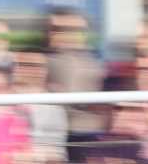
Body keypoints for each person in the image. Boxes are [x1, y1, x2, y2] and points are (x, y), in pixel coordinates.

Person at [39, 8, 102, 139]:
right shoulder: (42, 61)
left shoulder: (93, 64)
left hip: (83, 131)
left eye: (74, 31)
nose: (66, 36)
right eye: (58, 29)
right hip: (51, 129)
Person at [9, 49, 67, 164]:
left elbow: (57, 158)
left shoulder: (54, 107)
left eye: (37, 66)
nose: (30, 70)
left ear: (45, 70)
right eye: (24, 64)